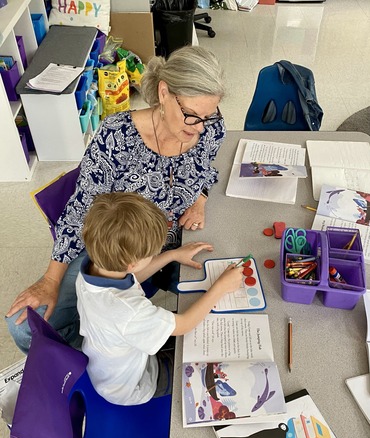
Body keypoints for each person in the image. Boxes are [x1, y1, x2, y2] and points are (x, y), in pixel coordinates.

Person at [6, 45, 226, 354]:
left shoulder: (209, 128)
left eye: (208, 116)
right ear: (164, 93)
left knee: (226, 308)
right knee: (23, 326)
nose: (199, 128)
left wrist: (199, 200)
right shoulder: (117, 135)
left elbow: (206, 169)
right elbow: (81, 210)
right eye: (192, 116)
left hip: (174, 241)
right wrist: (50, 280)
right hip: (121, 248)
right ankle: (93, 361)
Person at [77, 192, 243, 405]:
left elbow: (133, 276)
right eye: (151, 254)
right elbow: (183, 325)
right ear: (131, 263)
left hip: (111, 363)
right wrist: (220, 287)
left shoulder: (92, 268)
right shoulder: (129, 311)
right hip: (136, 384)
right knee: (211, 359)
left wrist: (172, 255)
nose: (155, 255)